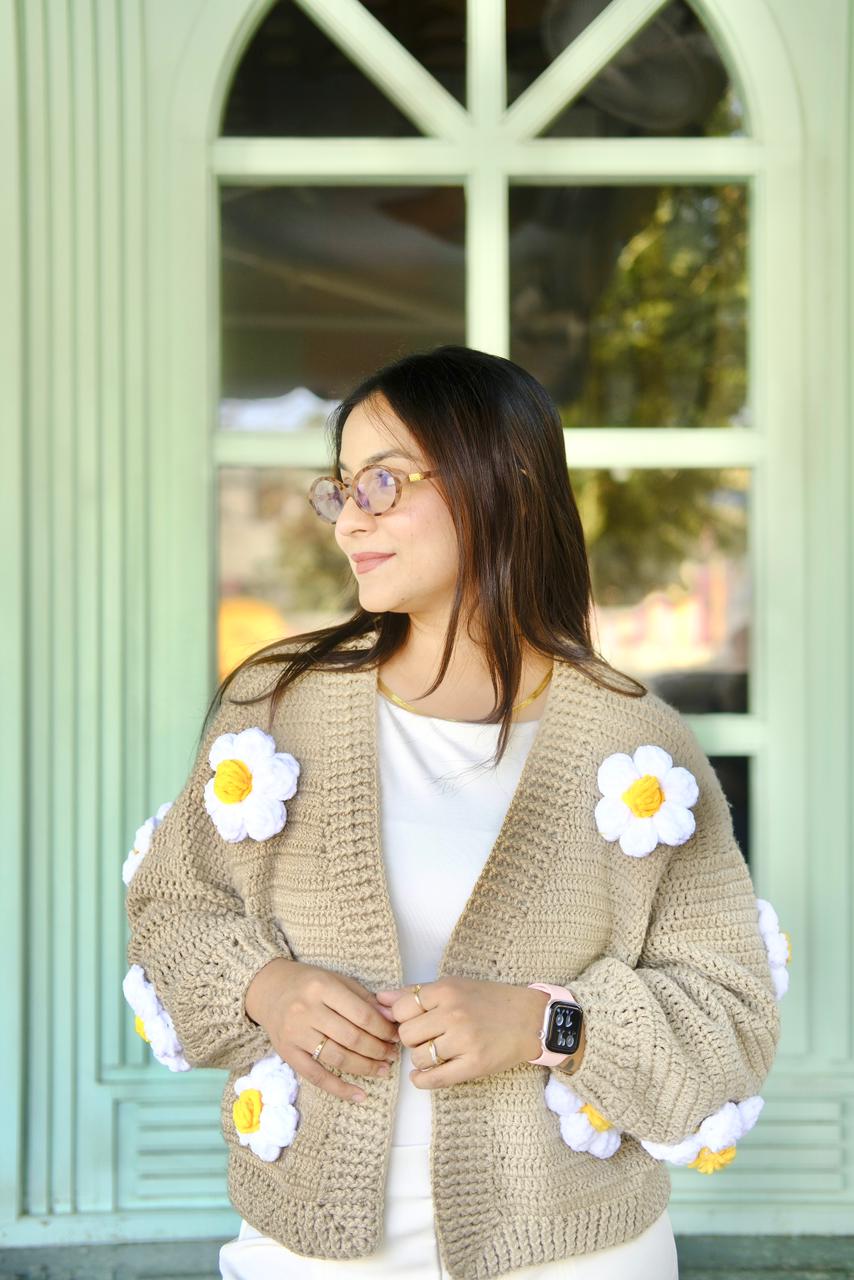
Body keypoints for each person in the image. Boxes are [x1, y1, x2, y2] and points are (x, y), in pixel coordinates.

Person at [125, 345, 781, 1279]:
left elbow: (730, 1022)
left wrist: (544, 1024)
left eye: (383, 484)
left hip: (578, 1251)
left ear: (500, 482)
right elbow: (171, 912)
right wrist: (264, 990)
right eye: (341, 488)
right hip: (311, 1249)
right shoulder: (277, 706)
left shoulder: (638, 752)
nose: (351, 520)